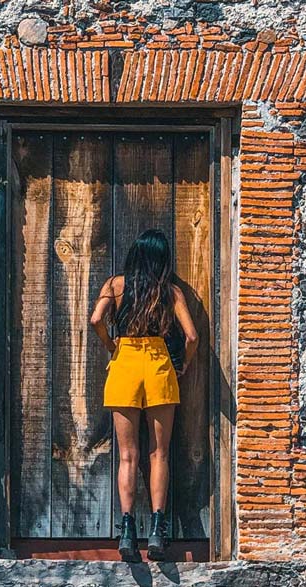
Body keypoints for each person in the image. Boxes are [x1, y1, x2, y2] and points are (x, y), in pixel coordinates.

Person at [90, 228, 199, 562]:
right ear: (162, 258)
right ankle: (156, 530)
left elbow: (96, 319)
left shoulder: (114, 285)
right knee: (159, 455)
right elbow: (191, 336)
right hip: (157, 364)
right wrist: (181, 366)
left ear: (135, 254)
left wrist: (113, 347)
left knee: (127, 456)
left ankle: (126, 531)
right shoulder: (169, 291)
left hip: (124, 362)